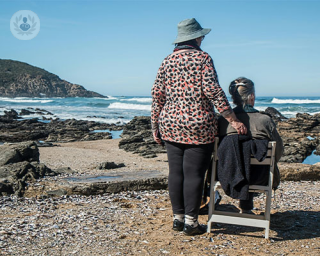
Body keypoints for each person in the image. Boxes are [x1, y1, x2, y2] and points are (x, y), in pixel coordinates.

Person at [151, 18, 247, 236]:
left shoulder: (167, 61)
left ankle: (177, 219)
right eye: (201, 35)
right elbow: (213, 90)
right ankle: (191, 223)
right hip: (198, 125)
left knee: (175, 172)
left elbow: (157, 95)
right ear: (195, 37)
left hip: (170, 123)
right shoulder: (203, 58)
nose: (203, 38)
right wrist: (233, 119)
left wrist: (154, 125)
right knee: (194, 174)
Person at [218, 77, 283, 213]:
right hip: (260, 176)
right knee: (252, 162)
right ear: (252, 96)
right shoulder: (265, 120)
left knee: (238, 158)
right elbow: (278, 152)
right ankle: (246, 207)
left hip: (226, 175)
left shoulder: (223, 121)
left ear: (233, 97)